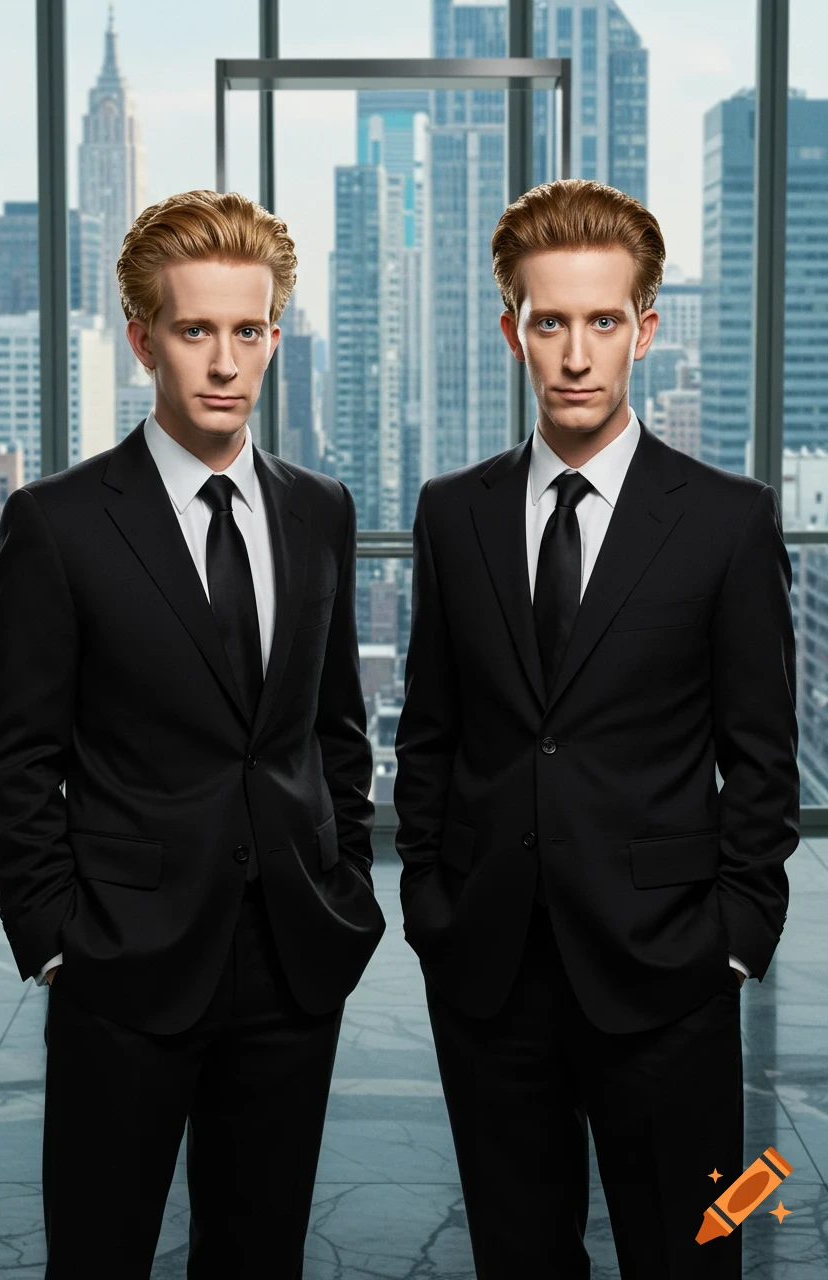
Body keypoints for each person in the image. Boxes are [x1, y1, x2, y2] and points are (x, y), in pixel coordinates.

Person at [0, 188, 385, 1280]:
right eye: (196, 330)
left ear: (275, 338)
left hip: (292, 956)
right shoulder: (58, 522)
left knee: (260, 1256)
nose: (224, 362)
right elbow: (17, 757)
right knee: (98, 1255)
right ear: (142, 339)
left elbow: (334, 728)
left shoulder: (320, 508)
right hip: (122, 958)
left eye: (248, 331)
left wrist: (343, 885)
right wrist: (55, 939)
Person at [394, 178, 798, 1279]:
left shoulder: (726, 519)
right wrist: (429, 902)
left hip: (668, 963)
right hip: (488, 965)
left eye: (603, 321)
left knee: (693, 1250)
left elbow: (761, 756)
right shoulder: (452, 511)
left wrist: (734, 937)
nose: (576, 355)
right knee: (516, 1256)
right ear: (511, 331)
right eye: (550, 323)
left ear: (645, 330)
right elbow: (429, 729)